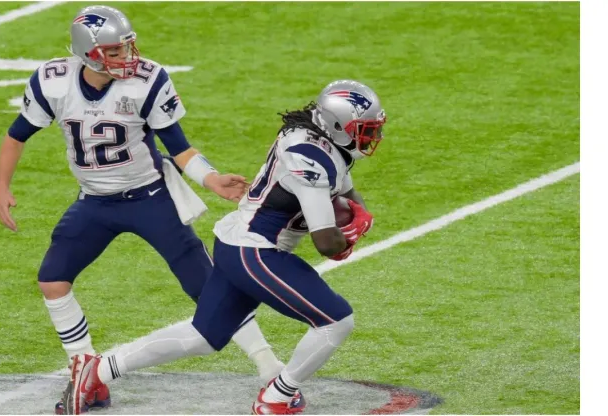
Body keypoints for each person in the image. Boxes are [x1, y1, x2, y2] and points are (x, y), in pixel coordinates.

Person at [0, 5, 288, 414]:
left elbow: (179, 147)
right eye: (114, 51)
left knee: (207, 288)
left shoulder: (145, 82)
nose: (126, 57)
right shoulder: (53, 82)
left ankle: (271, 370)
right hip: (94, 202)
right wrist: (2, 185)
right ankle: (85, 369)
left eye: (126, 47)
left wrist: (211, 178)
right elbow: (16, 135)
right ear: (87, 52)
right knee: (52, 279)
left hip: (150, 197)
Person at [62, 79, 387, 415]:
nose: (371, 138)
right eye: (364, 129)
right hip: (256, 250)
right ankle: (277, 396)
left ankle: (98, 369)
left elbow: (346, 191)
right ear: (336, 125)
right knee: (337, 320)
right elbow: (326, 244)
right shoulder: (310, 159)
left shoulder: (316, 139)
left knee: (204, 335)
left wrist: (357, 213)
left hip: (240, 245)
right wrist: (352, 231)